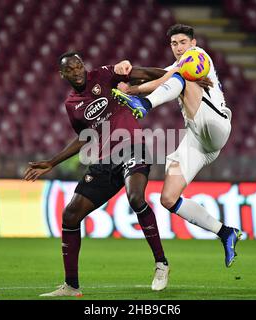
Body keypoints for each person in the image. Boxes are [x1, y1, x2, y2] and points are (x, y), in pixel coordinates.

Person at [24, 52, 171, 297]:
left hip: (133, 146)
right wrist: (52, 162)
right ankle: (71, 286)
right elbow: (84, 137)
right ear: (63, 75)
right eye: (70, 69)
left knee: (135, 198)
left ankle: (161, 263)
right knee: (70, 215)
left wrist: (176, 78)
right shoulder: (72, 105)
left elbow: (143, 73)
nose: (77, 71)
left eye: (79, 65)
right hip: (105, 160)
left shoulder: (103, 75)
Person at [112, 24, 242, 268]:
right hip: (199, 140)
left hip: (216, 124)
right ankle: (225, 232)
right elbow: (163, 78)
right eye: (174, 44)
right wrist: (131, 86)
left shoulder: (198, 56)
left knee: (183, 77)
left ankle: (144, 105)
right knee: (169, 198)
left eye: (183, 42)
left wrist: (135, 92)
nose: (179, 47)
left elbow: (167, 78)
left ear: (193, 43)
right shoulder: (179, 66)